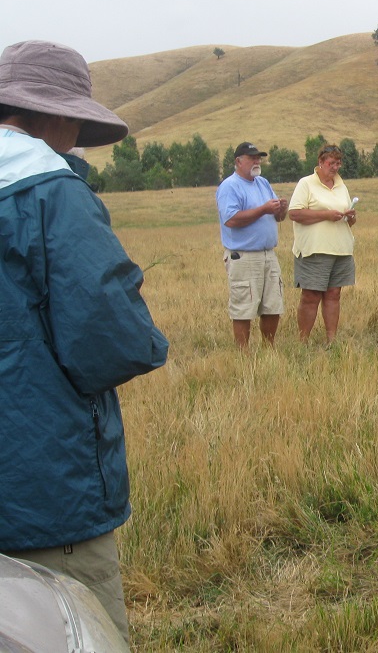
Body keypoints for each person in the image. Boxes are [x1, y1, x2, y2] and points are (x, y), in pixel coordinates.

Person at [0, 40, 169, 644]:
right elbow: (112, 339)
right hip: (39, 481)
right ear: (56, 115)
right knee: (69, 624)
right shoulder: (50, 191)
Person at [215, 142, 288, 349]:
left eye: (259, 158)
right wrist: (264, 209)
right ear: (238, 161)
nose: (257, 161)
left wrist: (282, 209)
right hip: (244, 256)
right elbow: (231, 219)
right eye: (252, 158)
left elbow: (279, 218)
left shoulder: (262, 183)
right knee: (243, 307)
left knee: (273, 305)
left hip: (268, 254)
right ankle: (243, 352)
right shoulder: (230, 186)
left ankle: (268, 347)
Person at [288, 144, 357, 342]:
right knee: (311, 296)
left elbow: (349, 221)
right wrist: (326, 215)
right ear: (320, 162)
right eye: (331, 163)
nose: (335, 167)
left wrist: (350, 216)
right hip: (314, 249)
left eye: (338, 163)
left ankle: (331, 340)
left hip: (341, 248)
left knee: (334, 294)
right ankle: (303, 341)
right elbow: (294, 213)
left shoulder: (341, 185)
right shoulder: (306, 183)